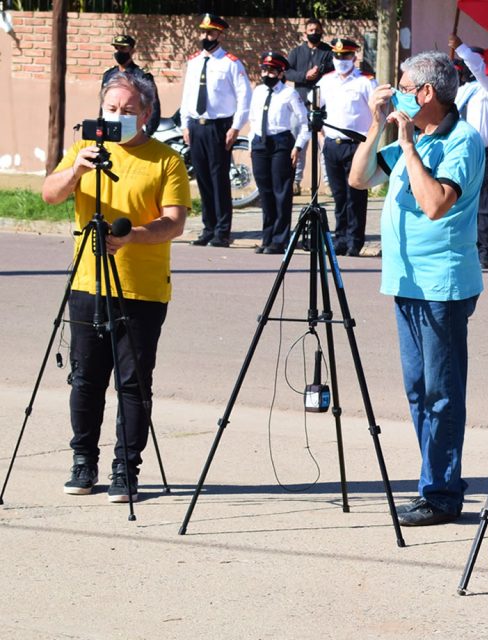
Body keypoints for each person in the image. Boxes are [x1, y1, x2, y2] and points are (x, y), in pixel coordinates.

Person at [349, 51, 485, 527]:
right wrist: (376, 126)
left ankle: (443, 493)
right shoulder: (418, 135)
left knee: (441, 392)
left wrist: (408, 146)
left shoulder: (460, 140)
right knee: (418, 391)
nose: (398, 91)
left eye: (404, 85)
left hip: (441, 285)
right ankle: (432, 483)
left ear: (426, 93)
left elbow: (434, 205)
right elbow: (359, 178)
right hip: (406, 283)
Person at [41, 71, 191, 502]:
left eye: (127, 111)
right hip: (88, 283)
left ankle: (126, 468)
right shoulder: (84, 150)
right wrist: (76, 170)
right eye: (110, 109)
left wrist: (133, 237)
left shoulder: (166, 159)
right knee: (86, 379)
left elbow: (175, 222)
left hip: (142, 288)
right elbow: (49, 195)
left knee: (133, 383)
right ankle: (82, 462)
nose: (117, 117)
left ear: (146, 114)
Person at [181, 13, 250, 248]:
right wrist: (185, 124)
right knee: (202, 179)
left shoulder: (231, 63)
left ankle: (222, 231)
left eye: (210, 33)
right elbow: (187, 95)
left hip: (219, 126)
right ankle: (208, 228)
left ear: (220, 34)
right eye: (203, 32)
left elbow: (244, 97)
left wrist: (236, 127)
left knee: (219, 179)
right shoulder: (194, 61)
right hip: (197, 125)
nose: (205, 36)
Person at [448, 34, 488, 269]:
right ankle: (466, 247)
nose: (470, 67)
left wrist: (461, 47)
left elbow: (480, 70)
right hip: (464, 153)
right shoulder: (463, 91)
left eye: (473, 62)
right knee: (462, 202)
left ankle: (486, 251)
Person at [316, 38, 376, 257]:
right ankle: (340, 238)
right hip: (332, 144)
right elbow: (315, 107)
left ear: (354, 57)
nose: (341, 60)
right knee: (339, 196)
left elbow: (377, 113)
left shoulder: (365, 82)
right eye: (338, 56)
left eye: (346, 56)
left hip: (356, 145)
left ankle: (355, 241)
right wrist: (320, 132)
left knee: (356, 196)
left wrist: (371, 142)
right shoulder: (326, 81)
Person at [249, 51, 307, 254]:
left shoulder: (289, 94)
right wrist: (251, 144)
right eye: (265, 69)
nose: (267, 74)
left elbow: (304, 122)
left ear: (281, 73)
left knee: (281, 192)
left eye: (272, 71)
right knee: (265, 192)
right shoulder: (258, 91)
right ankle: (267, 237)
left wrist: (298, 146)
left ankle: (279, 239)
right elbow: (254, 119)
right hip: (260, 144)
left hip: (281, 144)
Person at [284, 18, 334, 195]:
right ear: (305, 34)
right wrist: (305, 75)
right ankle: (295, 182)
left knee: (324, 145)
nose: (314, 33)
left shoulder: (328, 52)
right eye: (310, 30)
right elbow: (287, 72)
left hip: (323, 106)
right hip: (300, 105)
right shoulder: (296, 52)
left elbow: (333, 71)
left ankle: (328, 183)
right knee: (299, 145)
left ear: (322, 31)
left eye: (317, 29)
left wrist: (318, 72)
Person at [102, 34, 160, 135]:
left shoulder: (142, 76)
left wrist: (148, 132)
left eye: (123, 48)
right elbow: (104, 104)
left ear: (132, 50)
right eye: (116, 48)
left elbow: (153, 107)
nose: (119, 51)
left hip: (133, 130)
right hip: (110, 129)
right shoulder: (109, 74)